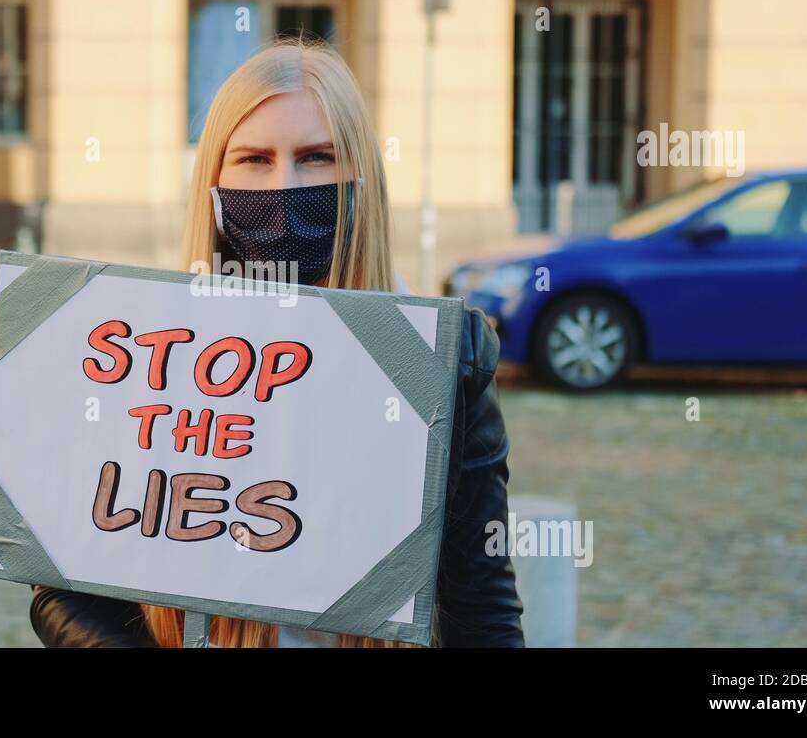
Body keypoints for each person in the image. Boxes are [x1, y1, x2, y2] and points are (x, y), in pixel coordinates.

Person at [30, 37, 524, 648]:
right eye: (254, 159)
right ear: (214, 181)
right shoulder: (146, 350)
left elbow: (482, 603)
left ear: (360, 177)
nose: (285, 186)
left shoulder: (445, 358)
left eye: (316, 158)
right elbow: (63, 585)